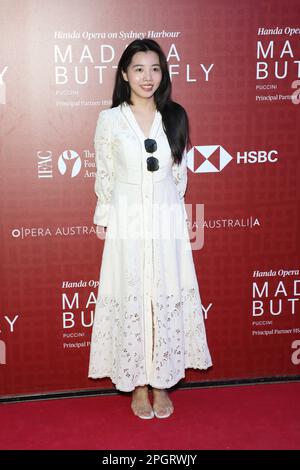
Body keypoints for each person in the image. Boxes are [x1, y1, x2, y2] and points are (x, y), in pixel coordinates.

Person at [88, 38, 212, 419]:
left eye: (155, 68)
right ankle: (137, 385)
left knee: (163, 290)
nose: (147, 76)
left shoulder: (174, 115)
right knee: (132, 292)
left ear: (163, 73)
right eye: (139, 69)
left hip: (165, 219)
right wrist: (107, 218)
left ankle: (161, 380)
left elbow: (179, 176)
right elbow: (105, 174)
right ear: (125, 74)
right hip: (127, 220)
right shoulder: (110, 120)